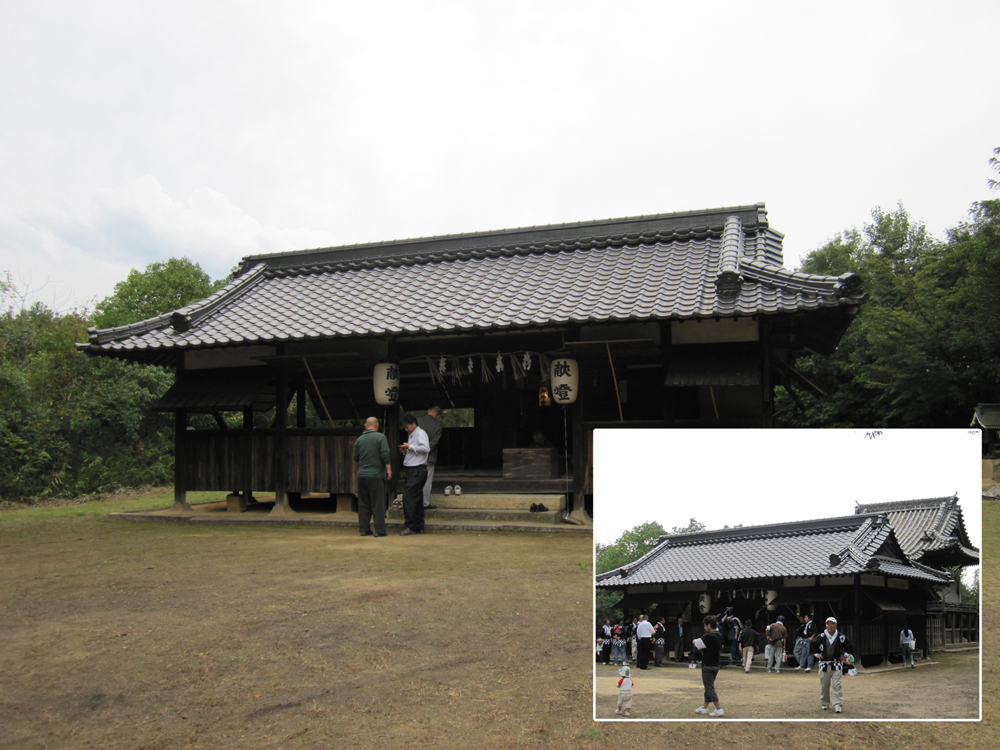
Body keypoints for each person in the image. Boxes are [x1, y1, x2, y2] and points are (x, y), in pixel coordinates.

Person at [352, 416, 392, 537]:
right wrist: (388, 468)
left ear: (366, 425)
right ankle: (379, 530)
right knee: (378, 503)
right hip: (376, 475)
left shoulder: (359, 440)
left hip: (362, 475)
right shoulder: (380, 437)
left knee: (363, 503)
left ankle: (364, 529)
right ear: (377, 425)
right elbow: (385, 453)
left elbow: (355, 457)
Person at [810, 616, 855, 713]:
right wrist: (817, 654)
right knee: (824, 685)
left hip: (837, 664)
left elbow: (850, 646)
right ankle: (825, 702)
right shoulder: (821, 636)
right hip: (824, 664)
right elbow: (812, 644)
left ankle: (838, 704)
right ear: (826, 625)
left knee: (837, 685)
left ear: (836, 625)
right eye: (828, 624)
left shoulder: (841, 636)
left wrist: (845, 656)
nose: (830, 626)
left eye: (832, 624)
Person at [398, 413, 429, 536]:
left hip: (417, 469)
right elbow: (416, 450)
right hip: (413, 468)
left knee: (408, 497)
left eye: (407, 427)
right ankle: (419, 526)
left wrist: (410, 446)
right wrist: (406, 450)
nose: (406, 429)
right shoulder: (412, 435)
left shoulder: (421, 433)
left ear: (413, 424)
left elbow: (426, 448)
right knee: (417, 498)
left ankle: (411, 526)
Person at [694, 615, 724, 717]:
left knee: (709, 687)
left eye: (705, 626)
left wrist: (695, 641)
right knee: (708, 686)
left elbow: (698, 645)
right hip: (716, 664)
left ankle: (718, 708)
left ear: (709, 625)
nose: (704, 628)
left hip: (707, 665)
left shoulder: (707, 636)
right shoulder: (719, 635)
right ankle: (704, 707)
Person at [417, 406, 443, 510]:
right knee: (427, 480)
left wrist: (417, 449)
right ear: (437, 416)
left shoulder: (418, 421)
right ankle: (425, 503)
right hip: (429, 456)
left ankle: (416, 502)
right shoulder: (437, 425)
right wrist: (426, 448)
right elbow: (435, 442)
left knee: (416, 479)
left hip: (416, 455)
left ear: (428, 411)